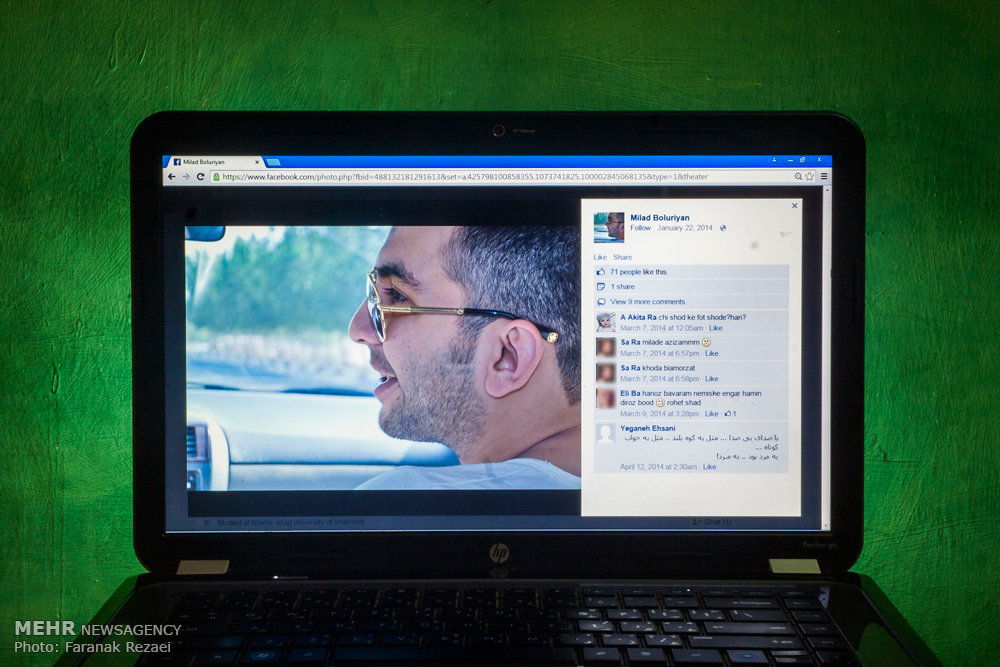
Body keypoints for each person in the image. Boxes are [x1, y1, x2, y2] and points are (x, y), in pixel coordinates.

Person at [349, 225, 581, 490]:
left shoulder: (406, 500)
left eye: (398, 296)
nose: (358, 330)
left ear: (507, 358)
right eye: (373, 292)